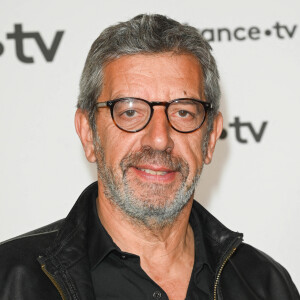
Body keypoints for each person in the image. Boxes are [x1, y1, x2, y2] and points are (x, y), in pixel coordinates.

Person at [0, 14, 299, 300]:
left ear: (209, 138)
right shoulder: (9, 281)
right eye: (130, 112)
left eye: (183, 112)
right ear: (88, 133)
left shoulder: (267, 286)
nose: (159, 138)